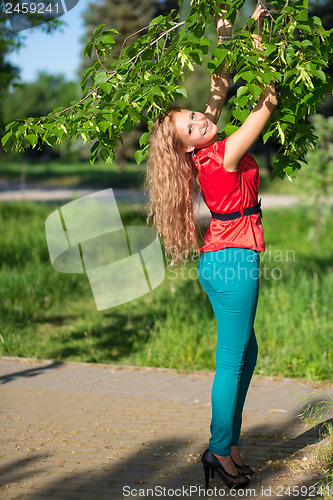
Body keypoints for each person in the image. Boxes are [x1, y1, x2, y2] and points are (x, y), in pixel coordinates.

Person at [144, 3, 277, 491]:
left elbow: (218, 92)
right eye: (193, 126)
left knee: (247, 353)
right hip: (232, 259)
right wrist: (261, 37)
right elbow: (267, 106)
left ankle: (230, 445)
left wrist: (228, 34)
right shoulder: (221, 156)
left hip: (226, 257)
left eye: (198, 116)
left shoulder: (205, 146)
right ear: (184, 147)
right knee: (233, 357)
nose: (202, 120)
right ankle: (219, 451)